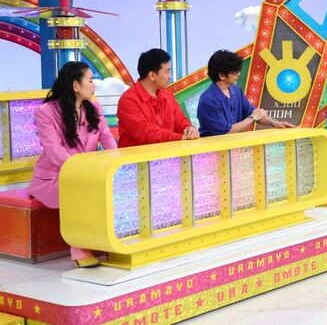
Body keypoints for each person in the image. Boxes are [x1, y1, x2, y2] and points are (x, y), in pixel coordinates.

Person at [28, 61, 117, 268]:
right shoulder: (45, 111)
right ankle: (80, 250)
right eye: (90, 80)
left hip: (87, 172)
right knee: (81, 189)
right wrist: (81, 169)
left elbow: (107, 137)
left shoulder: (94, 107)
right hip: (55, 176)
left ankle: (108, 242)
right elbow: (53, 149)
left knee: (109, 185)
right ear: (76, 85)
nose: (94, 85)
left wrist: (117, 161)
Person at [197, 50, 295, 136]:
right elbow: (225, 132)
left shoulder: (236, 91)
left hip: (235, 146)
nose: (239, 74)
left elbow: (253, 112)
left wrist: (274, 123)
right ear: (222, 75)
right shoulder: (208, 100)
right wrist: (252, 118)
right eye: (235, 72)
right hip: (214, 149)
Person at [117, 48, 199, 147]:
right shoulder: (128, 101)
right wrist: (180, 137)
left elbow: (181, 121)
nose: (170, 76)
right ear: (152, 75)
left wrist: (188, 129)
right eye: (167, 72)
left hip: (168, 154)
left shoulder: (168, 96)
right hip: (139, 156)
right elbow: (146, 134)